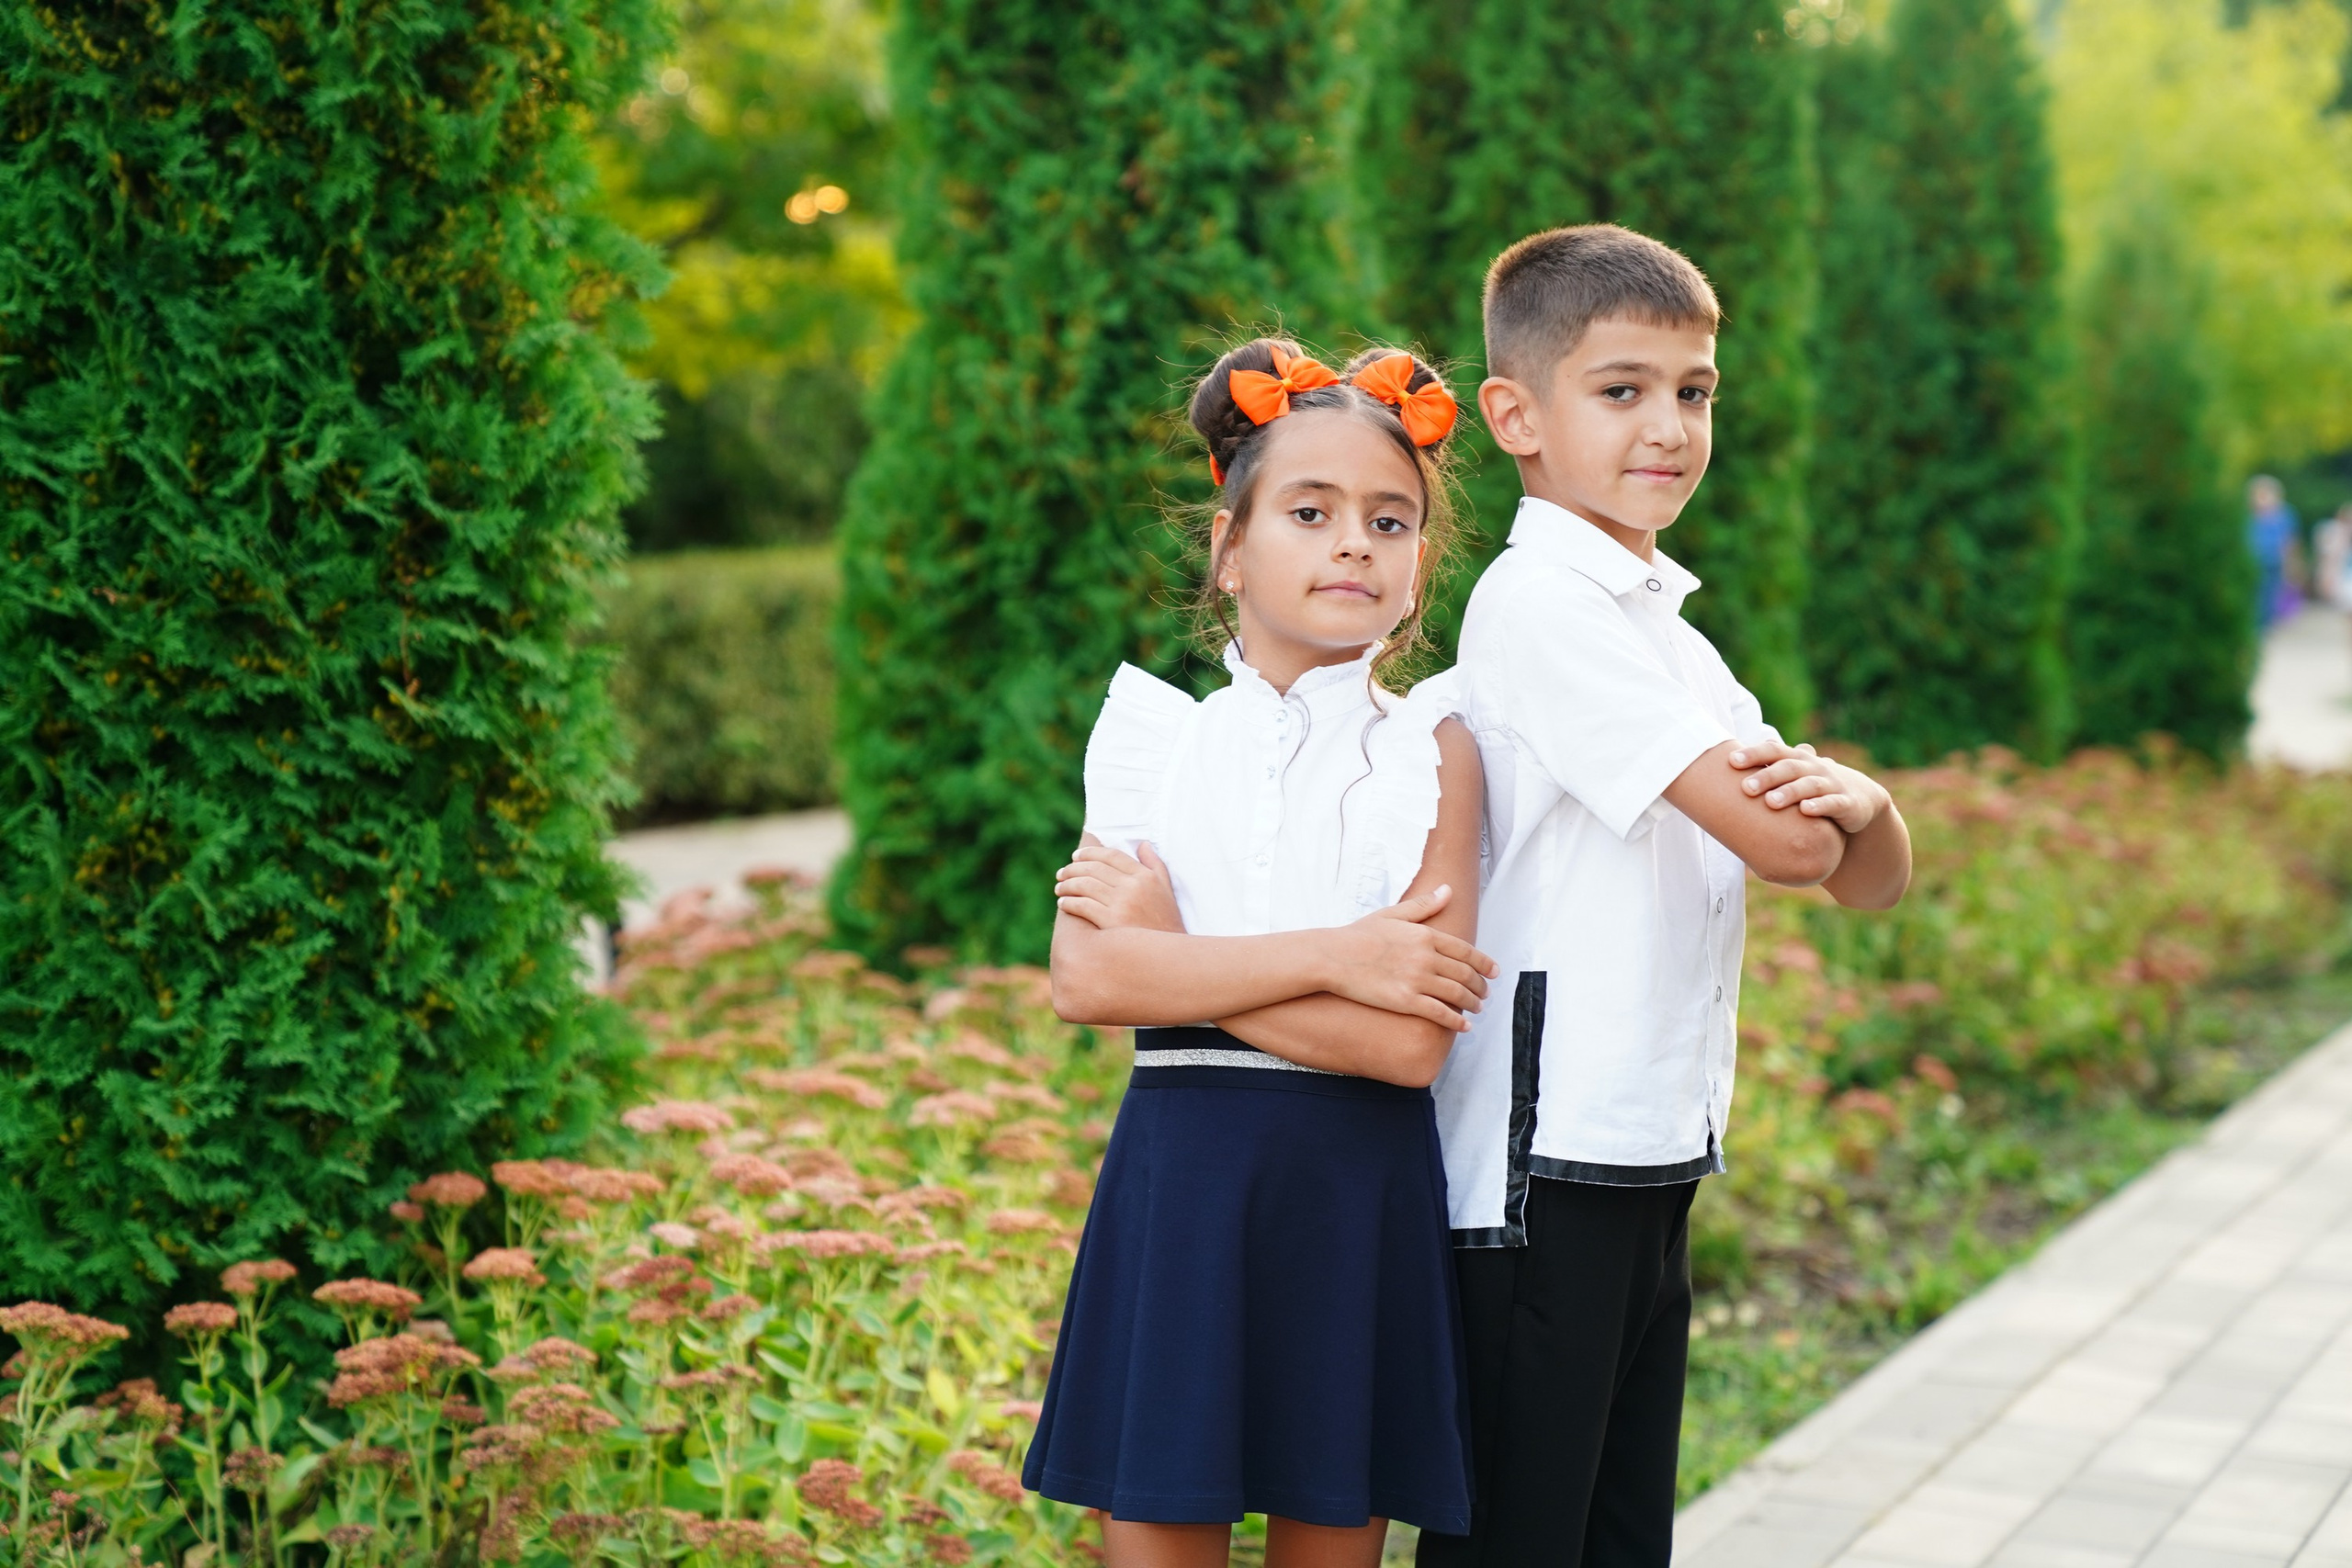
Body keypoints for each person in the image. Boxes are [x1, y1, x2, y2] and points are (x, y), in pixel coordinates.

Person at [1418, 225, 1914, 1568]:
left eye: (1693, 392)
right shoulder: (1541, 606)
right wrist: (1829, 803)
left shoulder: (1668, 634)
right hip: (1543, 1157)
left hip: (1651, 1140)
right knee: (1518, 1533)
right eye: (1623, 388)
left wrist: (1862, 803)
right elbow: (1798, 845)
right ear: (1515, 415)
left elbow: (1866, 865)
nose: (1671, 426)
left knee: (1619, 1529)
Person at [1030, 335, 1493, 1568]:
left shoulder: (1436, 752)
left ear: (1418, 566)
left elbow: (1402, 1046)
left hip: (1356, 1192)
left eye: (1391, 521)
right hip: (1182, 1182)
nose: (1355, 541)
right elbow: (1089, 978)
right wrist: (1340, 952)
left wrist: (1178, 959)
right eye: (1312, 510)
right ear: (1233, 550)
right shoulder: (1153, 741)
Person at [2247, 475, 2303, 628]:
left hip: (2274, 563)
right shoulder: (2249, 515)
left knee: (2269, 600)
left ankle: (2262, 629)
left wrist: (2293, 567)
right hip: (2250, 564)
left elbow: (2290, 542)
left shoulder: (2284, 514)